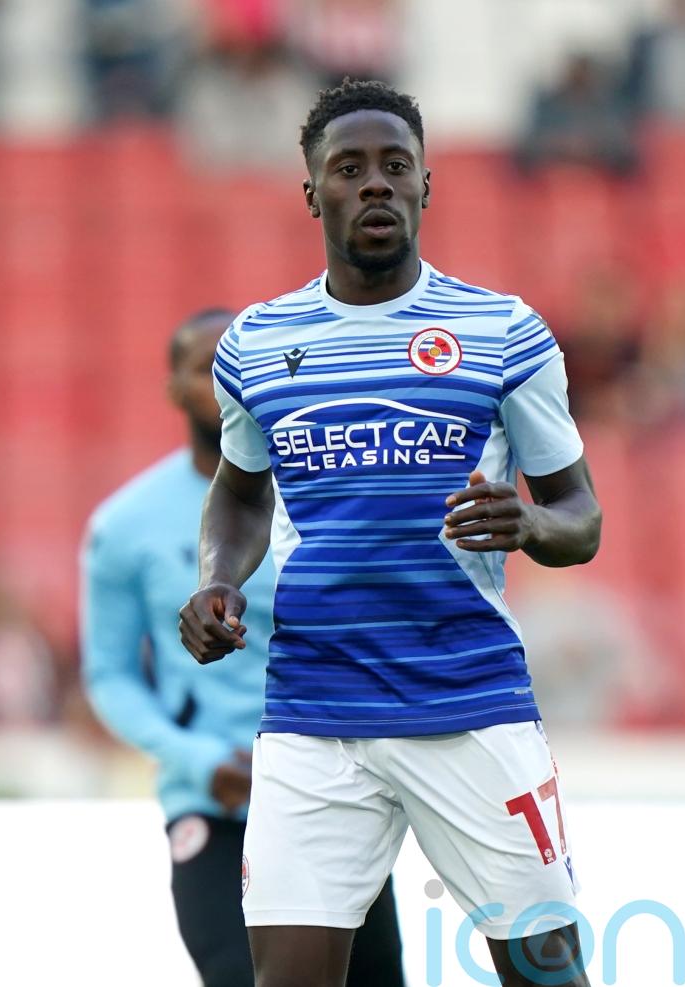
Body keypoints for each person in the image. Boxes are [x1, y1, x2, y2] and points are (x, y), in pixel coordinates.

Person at [179, 80, 602, 987]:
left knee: (548, 977)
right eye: (348, 168)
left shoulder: (504, 333)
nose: (374, 184)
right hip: (312, 712)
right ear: (312, 192)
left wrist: (528, 521)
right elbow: (241, 495)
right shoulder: (255, 344)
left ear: (425, 187)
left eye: (395, 167)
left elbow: (581, 515)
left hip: (469, 703)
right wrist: (220, 577)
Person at [80, 308, 405, 987]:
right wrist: (197, 758)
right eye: (205, 367)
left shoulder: (323, 493)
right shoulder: (125, 524)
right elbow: (109, 674)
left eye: (240, 361)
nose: (227, 380)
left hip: (329, 789)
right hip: (213, 800)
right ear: (173, 388)